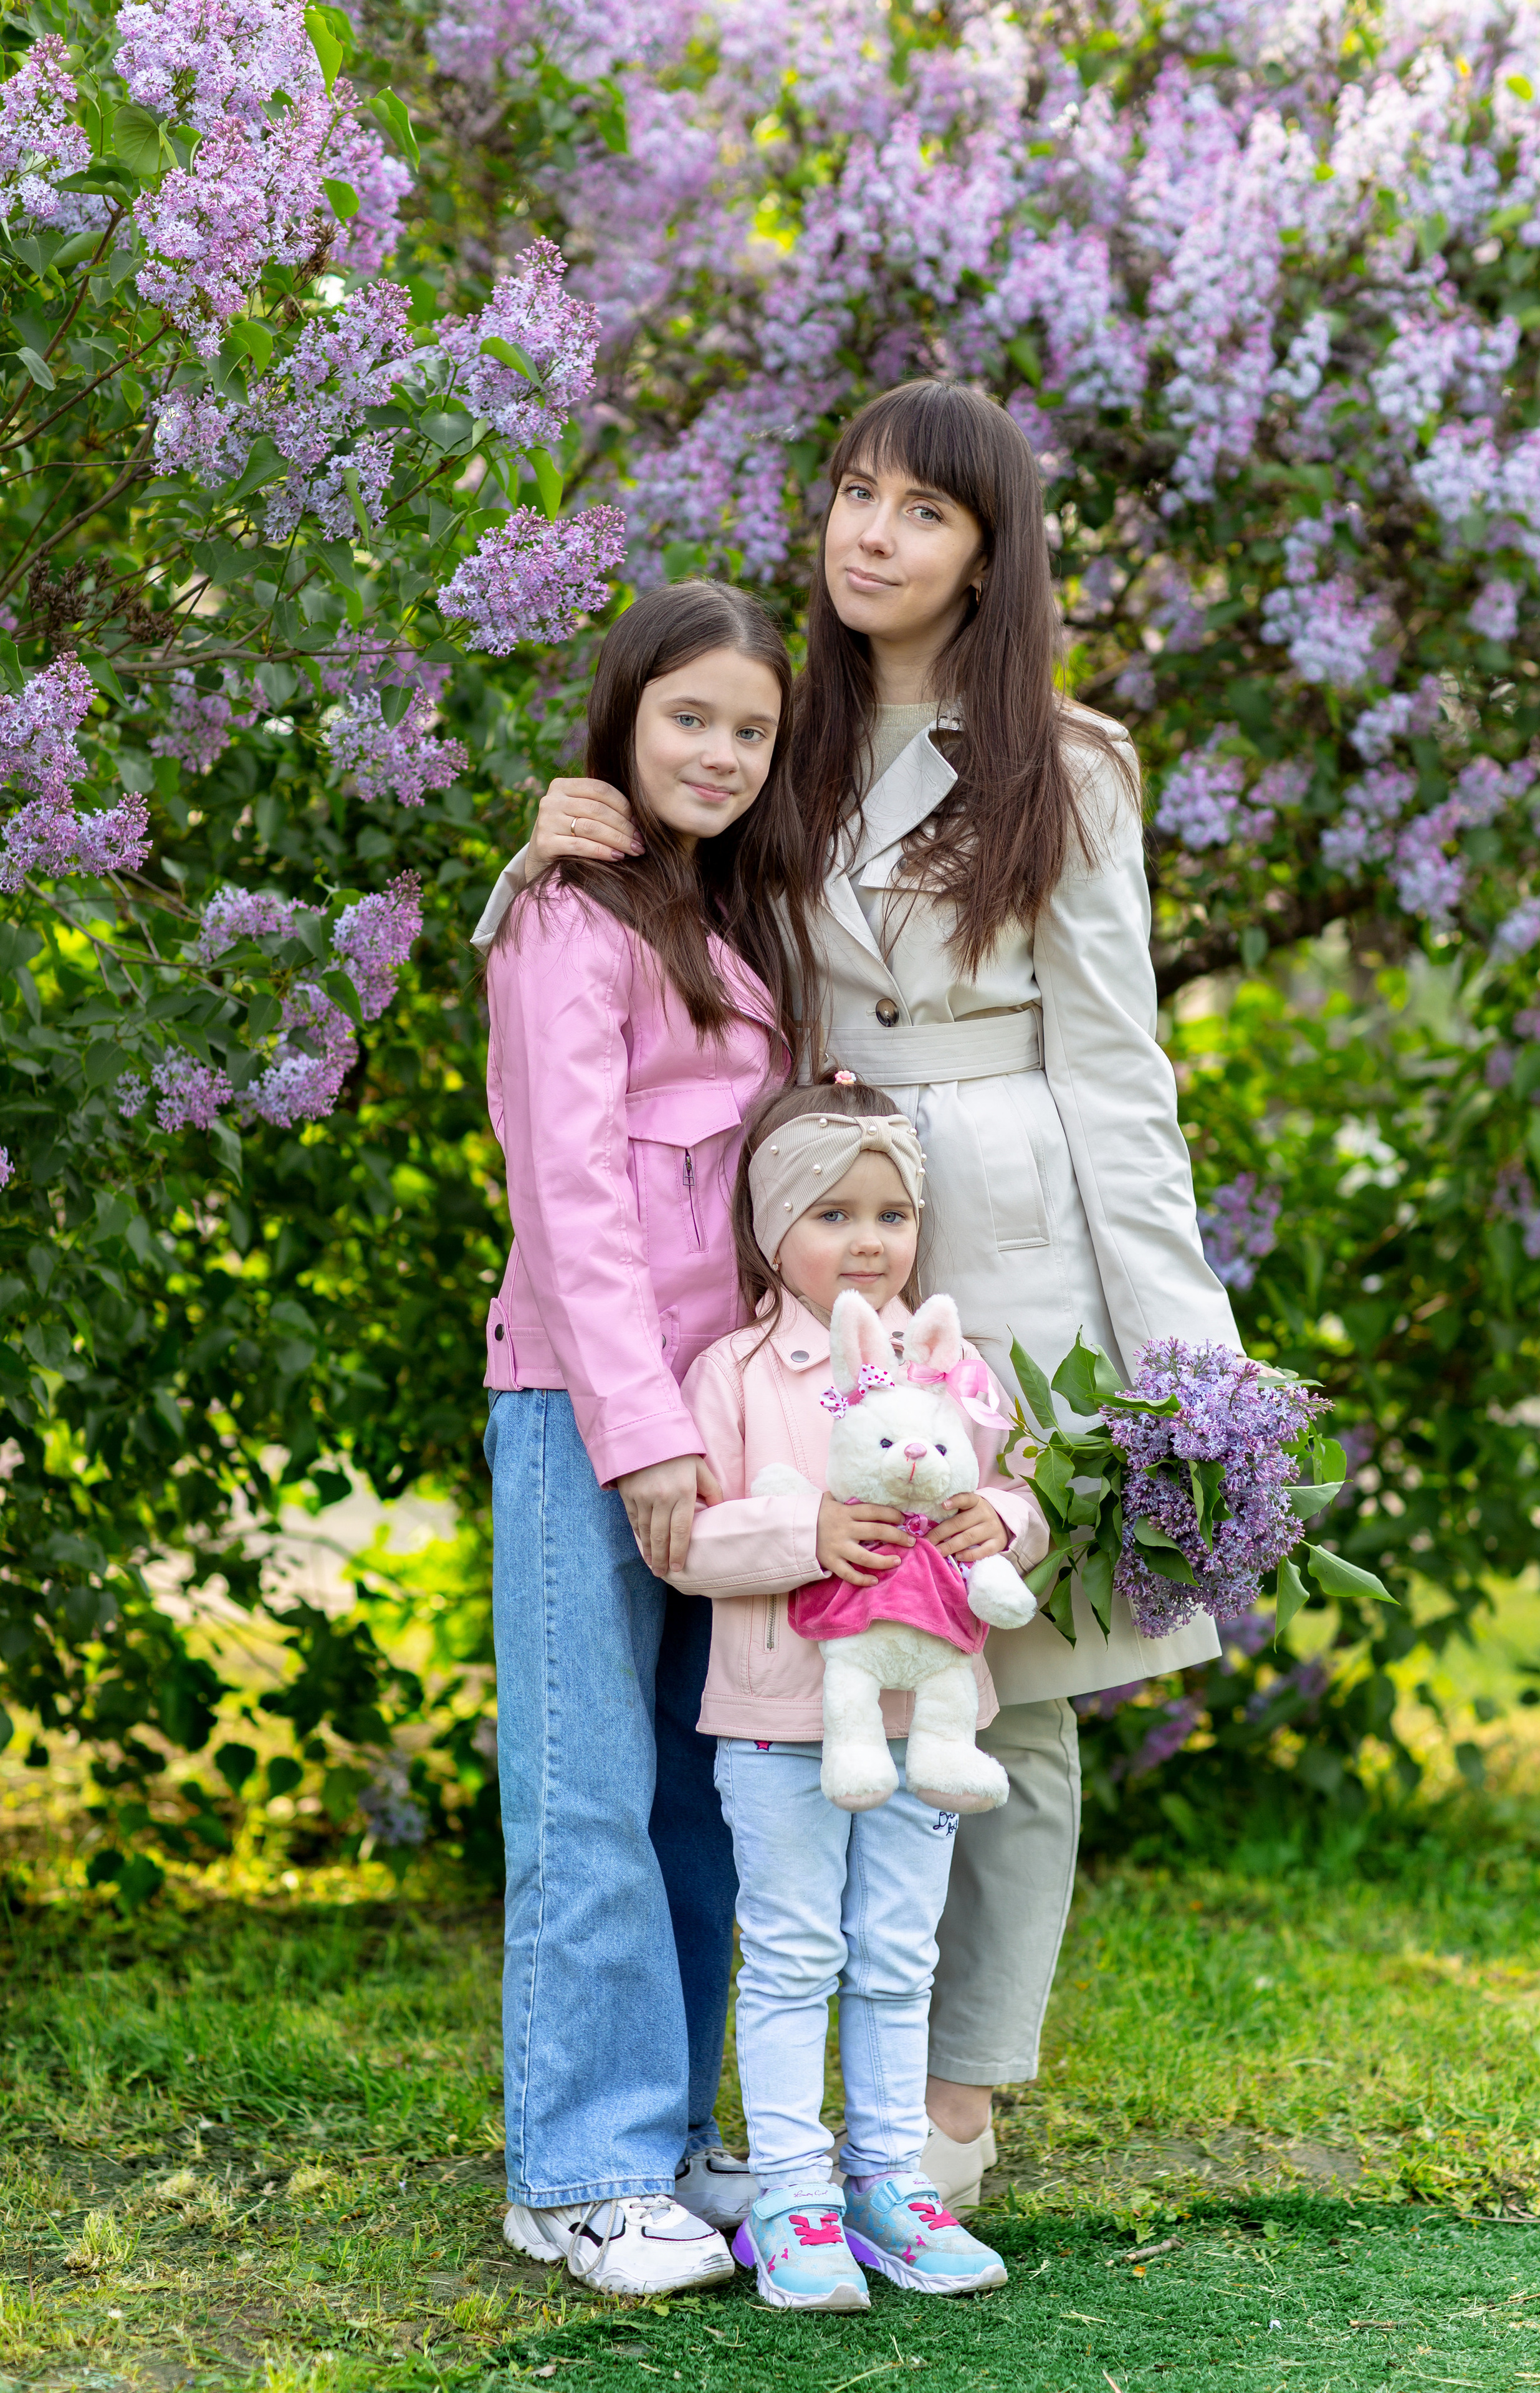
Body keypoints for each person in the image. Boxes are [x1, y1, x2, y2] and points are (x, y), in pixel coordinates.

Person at [479, 378, 1244, 2214]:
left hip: (1018, 1214)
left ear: (991, 554)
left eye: (920, 511)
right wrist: (543, 844)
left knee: (1025, 1672)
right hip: (815, 1220)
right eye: (851, 496)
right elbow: (646, 927)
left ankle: (957, 2094)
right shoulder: (777, 734)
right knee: (787, 1663)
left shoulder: (1068, 763)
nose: (868, 534)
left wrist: (1182, 1354)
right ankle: (781, 2103)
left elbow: (1123, 1073)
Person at [482, 580, 805, 2295]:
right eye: (691, 717)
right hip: (585, 1414)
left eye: (750, 729)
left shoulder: (730, 920)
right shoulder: (565, 918)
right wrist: (642, 1439)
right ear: (623, 719)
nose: (722, 752)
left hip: (727, 1418)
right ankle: (575, 2172)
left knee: (701, 1792)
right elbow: (577, 1203)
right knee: (589, 1795)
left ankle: (670, 2136)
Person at [667, 1073, 1042, 2309]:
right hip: (781, 1726)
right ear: (771, 1229)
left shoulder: (956, 1371)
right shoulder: (732, 1372)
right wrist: (805, 1530)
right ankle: (789, 2195)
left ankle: (889, 2183)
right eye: (831, 1214)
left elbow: (1013, 1500)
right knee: (788, 1956)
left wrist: (1003, 1518)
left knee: (896, 1953)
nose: (866, 1242)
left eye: (889, 1213)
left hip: (926, 1720)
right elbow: (684, 1542)